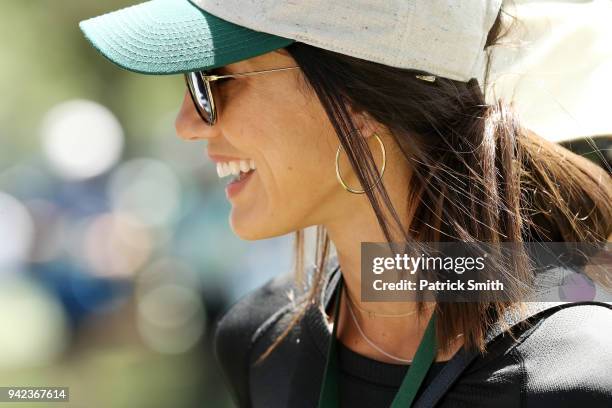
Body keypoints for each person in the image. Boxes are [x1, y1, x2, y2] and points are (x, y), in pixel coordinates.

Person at [79, 0, 612, 407]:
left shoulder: (571, 377)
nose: (187, 123)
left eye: (212, 79)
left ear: (358, 102)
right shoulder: (260, 340)